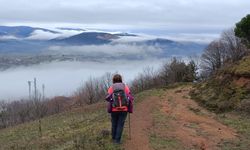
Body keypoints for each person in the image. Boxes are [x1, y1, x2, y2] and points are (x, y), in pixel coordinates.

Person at [105, 74, 134, 144]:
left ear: (113, 80)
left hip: (114, 109)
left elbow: (108, 97)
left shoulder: (111, 88)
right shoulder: (125, 87)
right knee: (120, 124)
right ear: (121, 79)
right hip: (124, 109)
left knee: (114, 123)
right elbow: (130, 97)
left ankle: (113, 138)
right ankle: (117, 141)